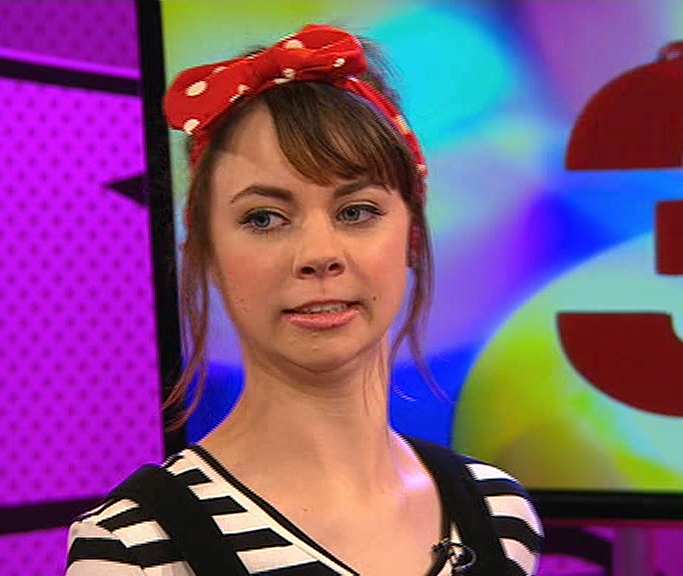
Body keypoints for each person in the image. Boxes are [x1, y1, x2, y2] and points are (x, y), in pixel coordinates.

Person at [66, 24, 543, 576]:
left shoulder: (499, 514)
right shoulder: (136, 544)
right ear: (206, 251)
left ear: (412, 234)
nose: (319, 255)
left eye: (356, 211)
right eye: (264, 219)